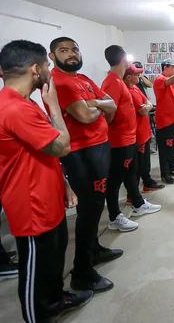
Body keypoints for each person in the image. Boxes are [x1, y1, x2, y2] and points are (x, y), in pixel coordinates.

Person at [0, 40, 94, 322]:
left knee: (54, 258)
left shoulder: (24, 102)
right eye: (49, 65)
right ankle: (37, 314)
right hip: (30, 205)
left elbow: (44, 150)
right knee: (36, 268)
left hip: (47, 195)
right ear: (35, 69)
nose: (50, 71)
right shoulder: (15, 109)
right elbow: (61, 146)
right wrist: (54, 106)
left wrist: (64, 185)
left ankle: (56, 299)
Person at [48, 36, 117, 293]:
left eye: (74, 49)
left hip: (99, 146)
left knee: (96, 204)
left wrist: (95, 103)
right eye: (63, 50)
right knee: (89, 209)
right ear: (52, 56)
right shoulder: (61, 82)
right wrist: (99, 107)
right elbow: (85, 116)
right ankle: (82, 273)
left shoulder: (84, 79)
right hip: (80, 152)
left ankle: (94, 250)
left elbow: (112, 105)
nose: (71, 54)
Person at [102, 46, 162, 233]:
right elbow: (107, 112)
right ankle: (114, 217)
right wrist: (117, 127)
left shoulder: (120, 82)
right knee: (114, 180)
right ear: (124, 62)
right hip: (119, 140)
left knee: (131, 173)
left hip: (130, 137)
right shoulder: (112, 82)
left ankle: (137, 203)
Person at [123, 64, 164, 192]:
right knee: (138, 164)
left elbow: (148, 103)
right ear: (129, 77)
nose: (139, 76)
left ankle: (147, 182)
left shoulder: (135, 88)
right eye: (137, 74)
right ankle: (135, 192)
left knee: (145, 161)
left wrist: (147, 106)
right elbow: (142, 110)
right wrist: (146, 106)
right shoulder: (127, 91)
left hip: (145, 131)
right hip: (138, 133)